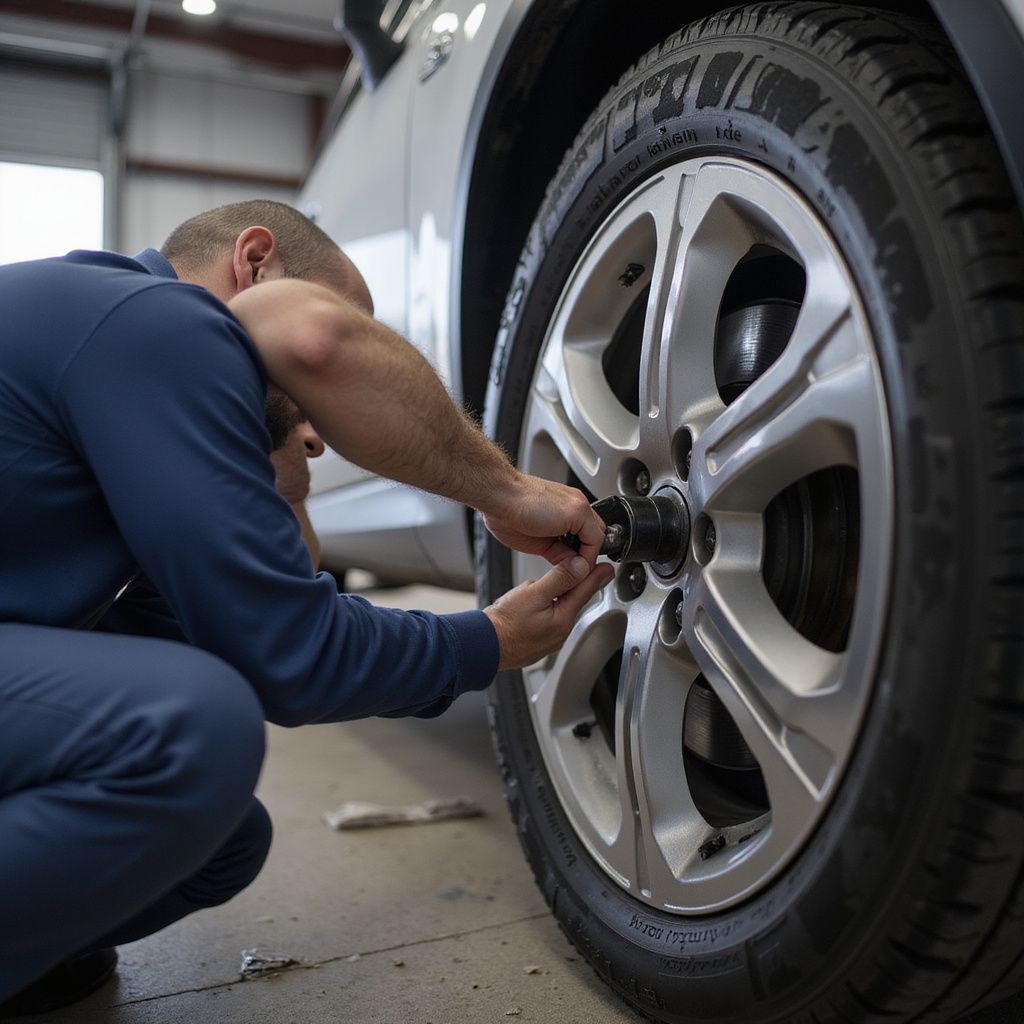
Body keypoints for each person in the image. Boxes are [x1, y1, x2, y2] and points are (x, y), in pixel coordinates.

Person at [0, 200, 614, 1015]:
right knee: (188, 731)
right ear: (255, 267)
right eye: (349, 315)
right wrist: (492, 609)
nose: (323, 429)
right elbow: (287, 657)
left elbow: (234, 646)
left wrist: (275, 491)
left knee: (225, 844)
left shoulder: (94, 359)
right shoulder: (152, 319)